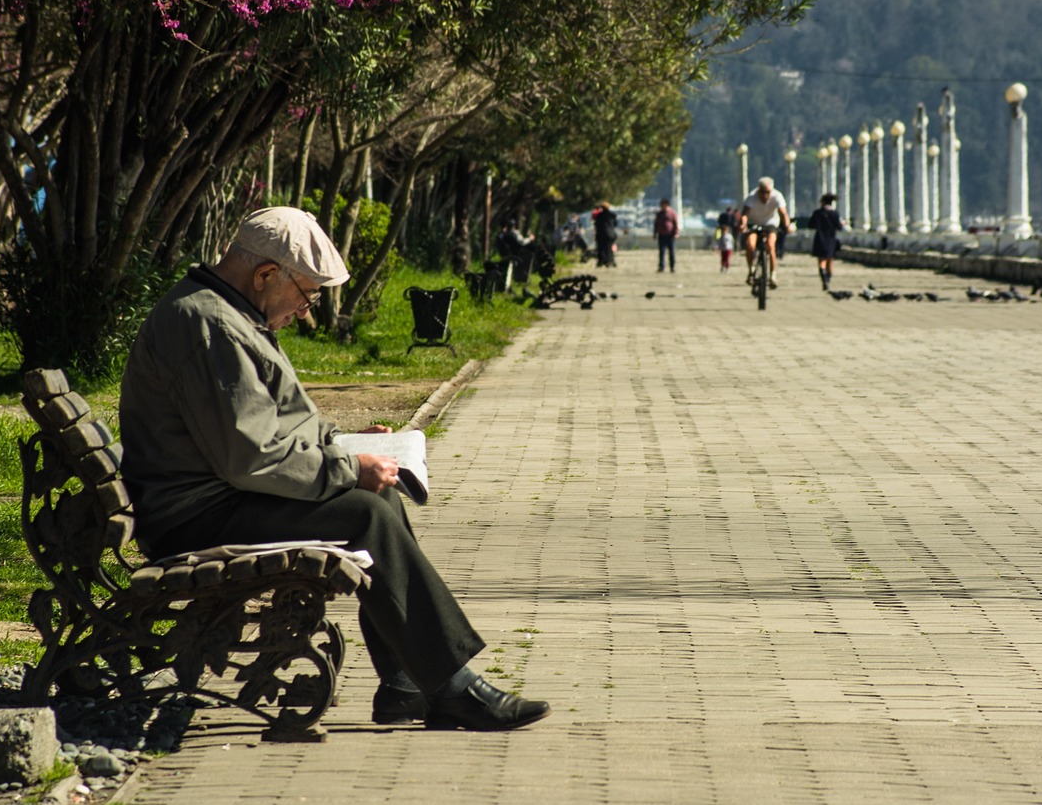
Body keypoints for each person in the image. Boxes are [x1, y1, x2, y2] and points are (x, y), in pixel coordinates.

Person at [119, 207, 551, 731]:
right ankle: (454, 688)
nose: (305, 312)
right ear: (264, 275)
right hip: (197, 515)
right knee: (365, 513)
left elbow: (266, 430)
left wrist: (343, 445)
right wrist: (347, 468)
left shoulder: (227, 314)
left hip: (218, 498)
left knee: (380, 500)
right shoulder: (211, 326)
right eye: (306, 295)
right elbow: (250, 457)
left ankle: (407, 684)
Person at [739, 177, 793, 290]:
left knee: (770, 245)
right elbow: (745, 214)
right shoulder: (752, 196)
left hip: (771, 223)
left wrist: (787, 226)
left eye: (767, 192)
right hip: (754, 223)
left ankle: (773, 275)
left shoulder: (777, 196)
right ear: (759, 190)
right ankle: (751, 270)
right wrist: (742, 225)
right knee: (750, 244)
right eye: (762, 192)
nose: (764, 195)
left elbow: (783, 213)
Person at [809, 193, 844, 291]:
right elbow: (840, 227)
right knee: (830, 260)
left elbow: (811, 225)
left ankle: (823, 278)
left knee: (821, 261)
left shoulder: (817, 213)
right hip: (831, 239)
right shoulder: (835, 213)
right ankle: (828, 279)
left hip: (820, 239)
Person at [654, 198, 681, 273]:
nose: (662, 206)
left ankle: (672, 267)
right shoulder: (659, 214)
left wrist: (676, 232)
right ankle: (661, 267)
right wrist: (655, 233)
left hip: (670, 235)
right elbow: (656, 224)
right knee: (662, 252)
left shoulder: (672, 213)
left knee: (671, 252)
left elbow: (675, 223)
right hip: (661, 235)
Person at [592, 201, 618, 268]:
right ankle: (610, 261)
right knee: (609, 248)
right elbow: (615, 224)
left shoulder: (599, 216)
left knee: (601, 248)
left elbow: (596, 224)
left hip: (601, 233)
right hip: (611, 234)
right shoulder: (613, 215)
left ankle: (601, 261)